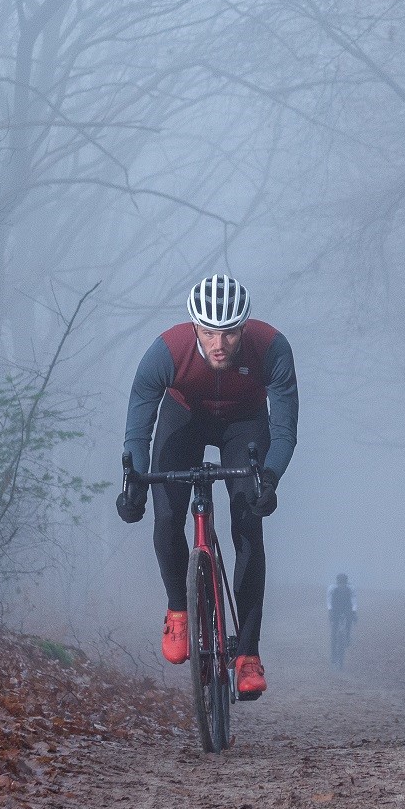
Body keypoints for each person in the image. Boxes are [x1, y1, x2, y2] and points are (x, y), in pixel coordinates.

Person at [117, 275, 297, 699]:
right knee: (166, 515)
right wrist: (135, 485)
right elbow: (137, 430)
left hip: (244, 423)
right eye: (209, 331)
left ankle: (247, 655)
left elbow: (285, 428)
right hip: (184, 418)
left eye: (231, 332)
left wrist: (268, 478)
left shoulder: (271, 348)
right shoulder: (165, 352)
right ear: (194, 326)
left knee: (248, 522)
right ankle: (179, 609)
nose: (220, 343)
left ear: (245, 327)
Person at [327, 573, 356, 667]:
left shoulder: (350, 588)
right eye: (341, 582)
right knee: (334, 632)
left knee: (349, 621)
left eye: (343, 582)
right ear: (338, 581)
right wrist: (330, 610)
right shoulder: (332, 588)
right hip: (336, 609)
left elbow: (353, 600)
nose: (342, 584)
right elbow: (329, 600)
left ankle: (347, 637)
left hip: (346, 608)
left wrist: (354, 612)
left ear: (346, 582)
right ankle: (333, 655)